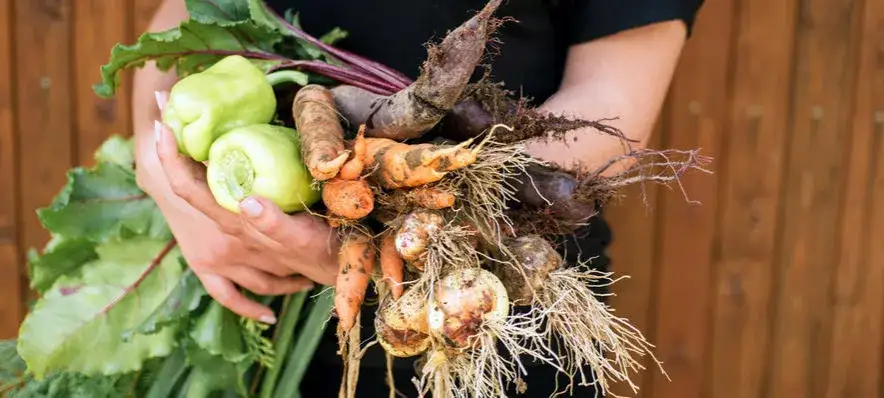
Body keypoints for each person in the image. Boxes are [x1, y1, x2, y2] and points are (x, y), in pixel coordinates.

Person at [134, 0, 704, 396]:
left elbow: (612, 119)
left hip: (503, 310)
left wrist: (423, 223)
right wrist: (162, 174)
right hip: (258, 311)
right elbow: (171, 38)